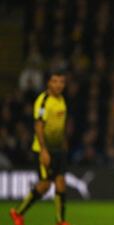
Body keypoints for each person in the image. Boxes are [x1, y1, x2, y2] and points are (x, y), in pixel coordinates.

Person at [10, 72, 69, 225]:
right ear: (48, 83)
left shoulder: (62, 100)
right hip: (45, 149)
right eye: (55, 81)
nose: (58, 85)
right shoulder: (43, 101)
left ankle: (60, 221)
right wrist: (43, 150)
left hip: (58, 149)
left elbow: (58, 126)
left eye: (61, 82)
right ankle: (17, 212)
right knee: (45, 185)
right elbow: (38, 125)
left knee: (61, 183)